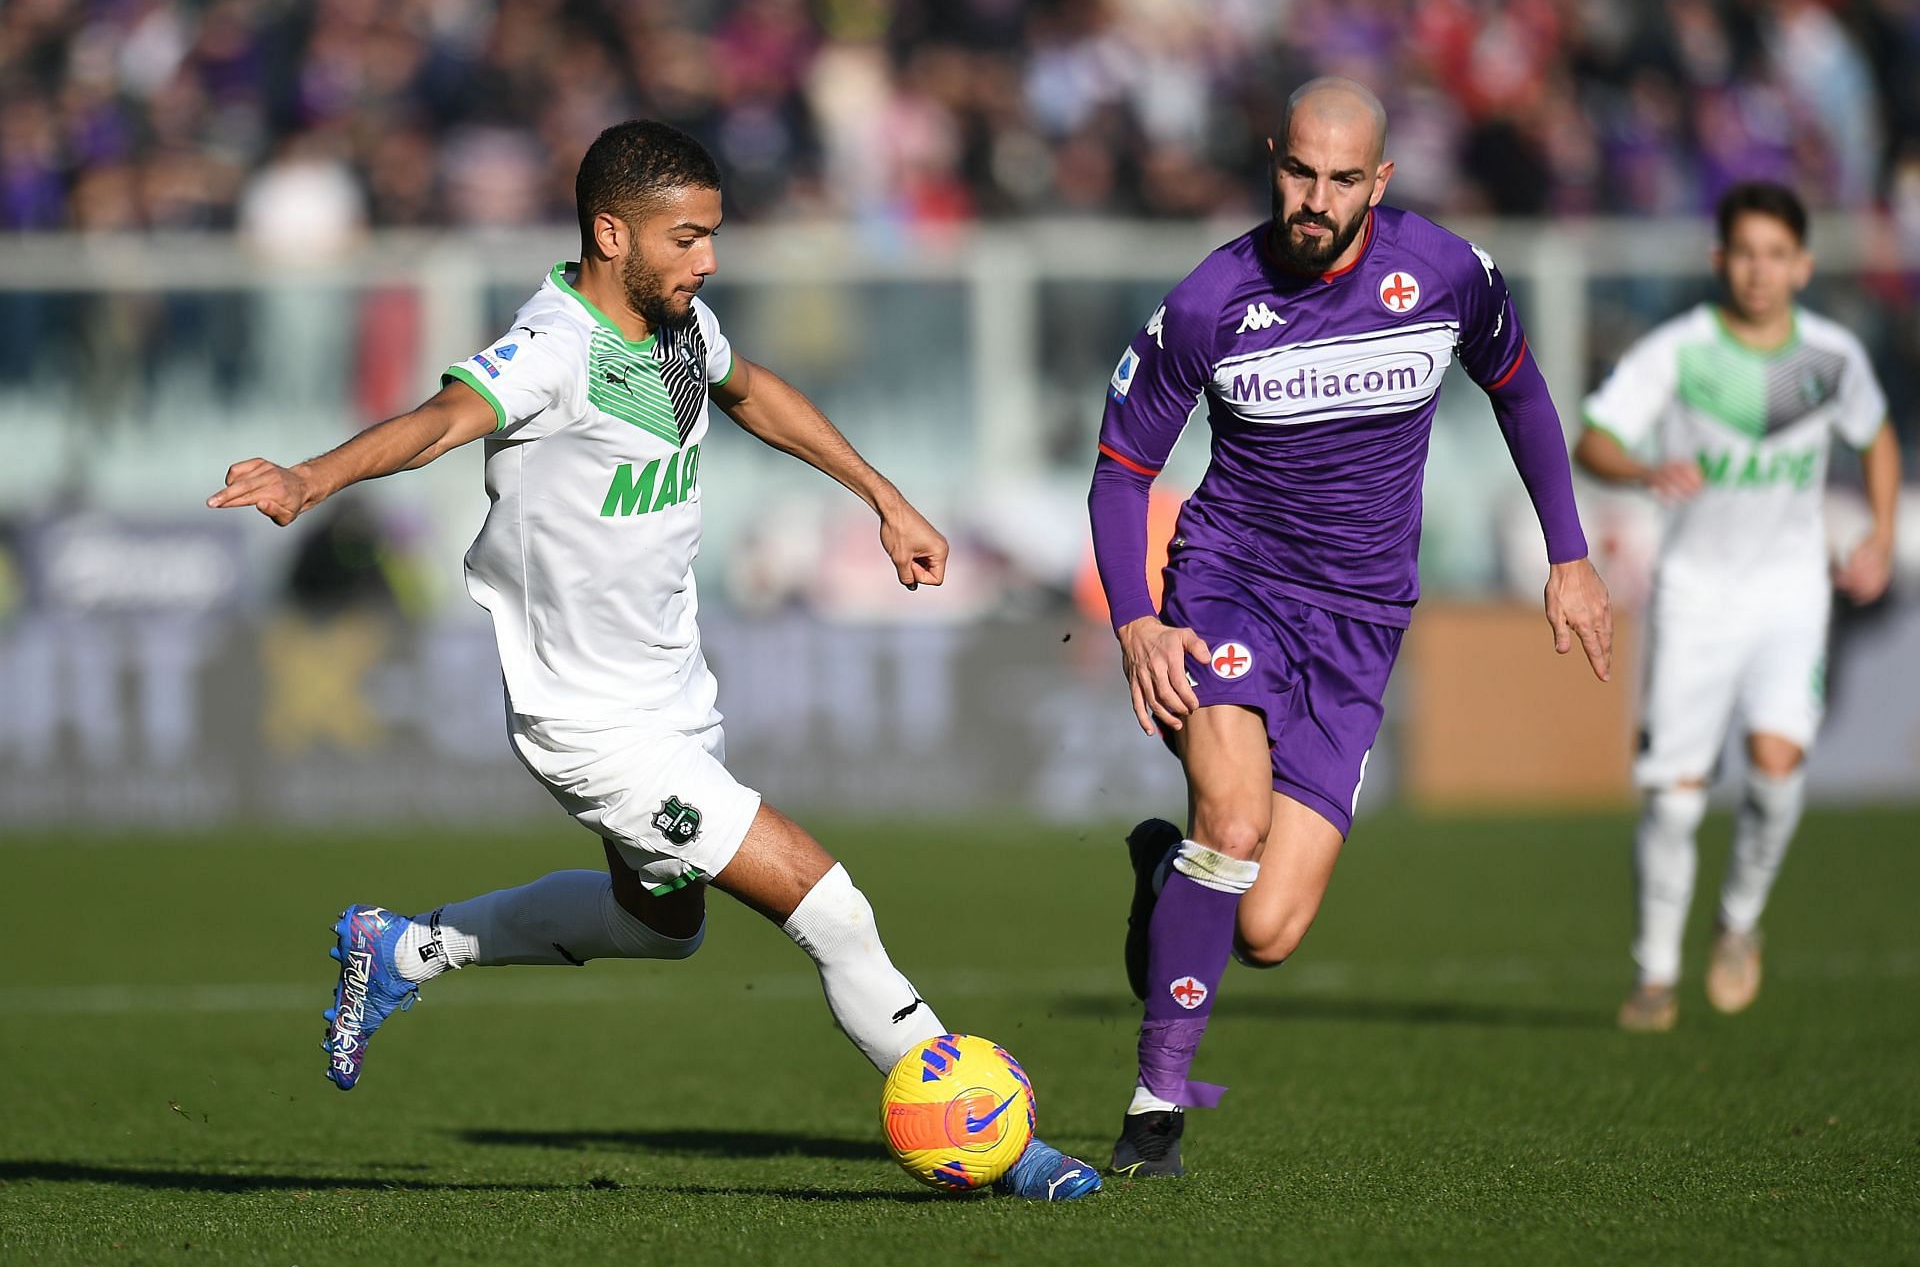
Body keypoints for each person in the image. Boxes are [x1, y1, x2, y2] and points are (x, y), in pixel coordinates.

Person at [208, 120, 1100, 1201]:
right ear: (610, 233)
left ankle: (403, 948)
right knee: (833, 906)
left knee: (658, 925)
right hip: (590, 721)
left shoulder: (678, 326)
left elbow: (755, 390)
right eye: (687, 237)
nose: (708, 259)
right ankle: (997, 1146)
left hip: (675, 694)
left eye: (713, 235)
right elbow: (442, 418)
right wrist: (310, 477)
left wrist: (887, 498)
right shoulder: (553, 347)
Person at [1086, 78, 1613, 1178]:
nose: (1313, 199)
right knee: (1230, 820)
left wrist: (1569, 553)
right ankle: (1155, 1110)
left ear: (1380, 179)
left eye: (1340, 179)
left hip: (1363, 621)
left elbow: (1520, 393)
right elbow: (1123, 468)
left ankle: (1161, 878)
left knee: (1268, 929)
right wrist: (1137, 619)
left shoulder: (1450, 276)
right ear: (1273, 158)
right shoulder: (1209, 299)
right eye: (1297, 172)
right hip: (1230, 586)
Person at [1573, 180, 1901, 1034]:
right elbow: (1594, 437)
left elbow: (1877, 437)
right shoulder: (1678, 353)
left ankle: (1740, 920)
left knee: (1775, 775)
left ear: (1804, 264)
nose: (1759, 271)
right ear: (1721, 260)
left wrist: (1875, 537)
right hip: (1695, 598)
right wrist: (1643, 471)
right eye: (1744, 253)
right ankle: (1654, 975)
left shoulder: (1830, 357)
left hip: (1790, 595)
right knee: (1676, 801)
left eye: (1776, 255)